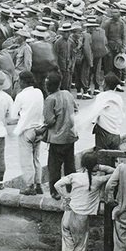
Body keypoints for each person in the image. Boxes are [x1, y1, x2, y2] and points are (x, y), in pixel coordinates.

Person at [53, 151, 115, 251]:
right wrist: (99, 166)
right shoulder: (98, 180)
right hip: (80, 218)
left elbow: (57, 185)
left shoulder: (74, 176)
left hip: (68, 211)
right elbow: (115, 171)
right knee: (80, 246)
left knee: (67, 243)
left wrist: (66, 196)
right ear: (95, 166)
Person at [44, 71, 79, 200]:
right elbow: (76, 109)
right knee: (70, 165)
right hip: (70, 136)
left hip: (56, 138)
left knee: (54, 167)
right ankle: (72, 189)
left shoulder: (50, 99)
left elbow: (49, 120)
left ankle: (55, 191)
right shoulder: (68, 94)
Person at [11, 71, 45, 196]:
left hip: (26, 130)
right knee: (36, 158)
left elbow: (13, 115)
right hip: (38, 129)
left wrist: (21, 114)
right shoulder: (39, 92)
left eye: (19, 80)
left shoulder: (20, 96)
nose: (18, 82)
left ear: (23, 82)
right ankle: (38, 184)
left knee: (26, 160)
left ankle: (29, 185)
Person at [89, 73, 125, 150]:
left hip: (104, 133)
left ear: (106, 85)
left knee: (102, 157)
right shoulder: (119, 98)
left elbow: (94, 114)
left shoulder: (101, 96)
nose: (102, 84)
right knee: (113, 157)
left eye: (103, 82)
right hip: (116, 134)